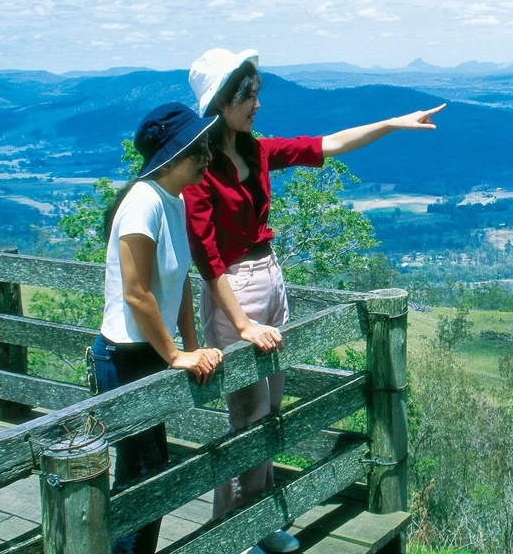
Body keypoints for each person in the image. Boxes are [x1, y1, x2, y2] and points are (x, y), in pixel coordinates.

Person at [183, 48, 444, 554]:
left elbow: (326, 145)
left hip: (270, 279)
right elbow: (206, 257)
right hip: (234, 291)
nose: (258, 103)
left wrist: (393, 122)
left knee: (273, 408)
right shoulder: (203, 168)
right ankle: (232, 535)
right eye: (248, 95)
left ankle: (257, 523)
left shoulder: (255, 152)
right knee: (248, 416)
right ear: (222, 102)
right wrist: (240, 326)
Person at [88, 102, 224, 554]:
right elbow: (137, 293)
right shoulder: (142, 205)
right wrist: (175, 355)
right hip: (126, 357)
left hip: (147, 353)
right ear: (172, 155)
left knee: (145, 472)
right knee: (144, 476)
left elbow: (178, 279)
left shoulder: (173, 201)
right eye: (197, 150)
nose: (206, 157)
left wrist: (191, 344)